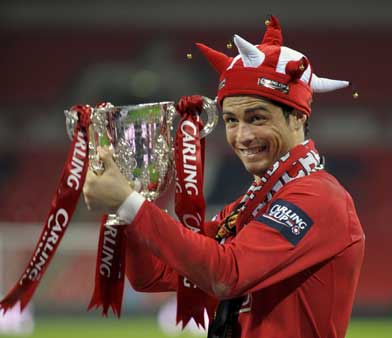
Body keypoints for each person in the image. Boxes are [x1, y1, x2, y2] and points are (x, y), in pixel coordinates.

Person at [83, 16, 365, 338]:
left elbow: (226, 274)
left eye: (257, 118)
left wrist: (129, 203)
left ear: (298, 117)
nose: (242, 136)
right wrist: (125, 203)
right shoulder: (252, 206)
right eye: (231, 120)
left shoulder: (320, 198)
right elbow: (154, 275)